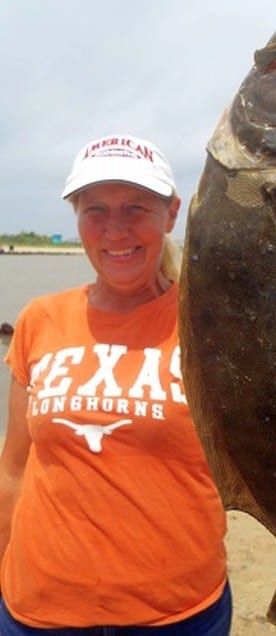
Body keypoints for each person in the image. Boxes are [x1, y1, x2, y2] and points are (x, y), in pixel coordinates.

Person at [0, 135, 231, 635]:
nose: (115, 229)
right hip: (36, 608)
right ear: (77, 218)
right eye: (95, 210)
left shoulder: (215, 323)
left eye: (135, 208)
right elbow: (14, 469)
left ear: (171, 213)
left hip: (179, 612)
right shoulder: (39, 319)